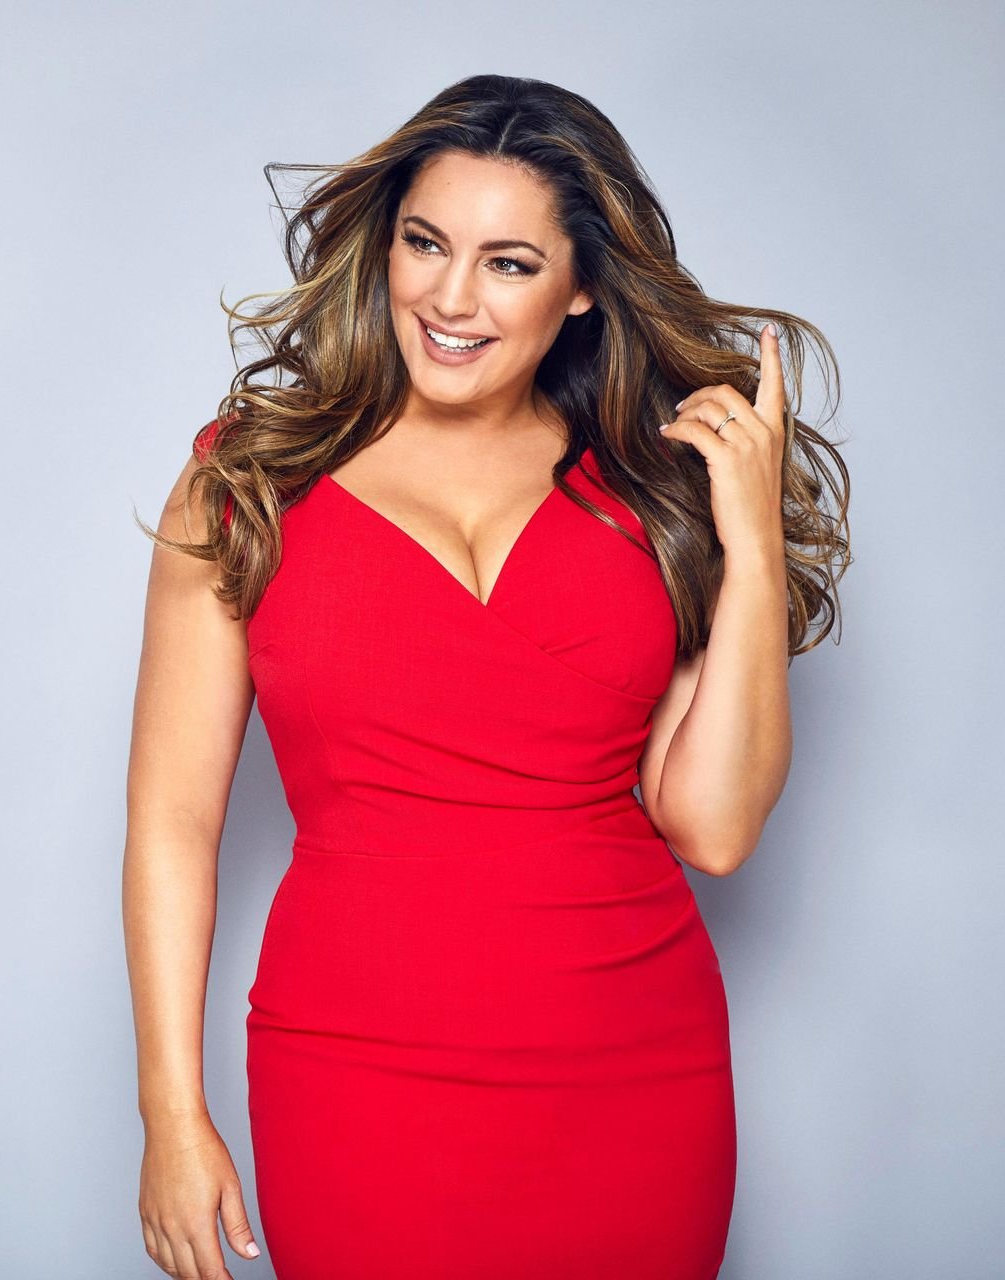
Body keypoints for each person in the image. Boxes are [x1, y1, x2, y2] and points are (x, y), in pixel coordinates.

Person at [121, 74, 851, 1279]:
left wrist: (753, 541)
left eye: (509, 263)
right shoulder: (249, 480)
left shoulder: (650, 491)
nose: (451, 298)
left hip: (634, 1070)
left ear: (581, 290)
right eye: (426, 243)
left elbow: (714, 827)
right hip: (352, 1064)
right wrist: (169, 1109)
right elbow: (173, 820)